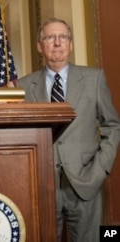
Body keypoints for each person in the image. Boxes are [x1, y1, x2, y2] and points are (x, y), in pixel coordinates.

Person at [17, 17, 120, 242]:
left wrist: (100, 169)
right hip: (41, 186)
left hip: (85, 183)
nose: (57, 43)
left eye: (63, 37)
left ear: (70, 45)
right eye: (50, 37)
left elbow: (112, 125)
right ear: (39, 46)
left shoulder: (94, 79)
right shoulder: (23, 87)